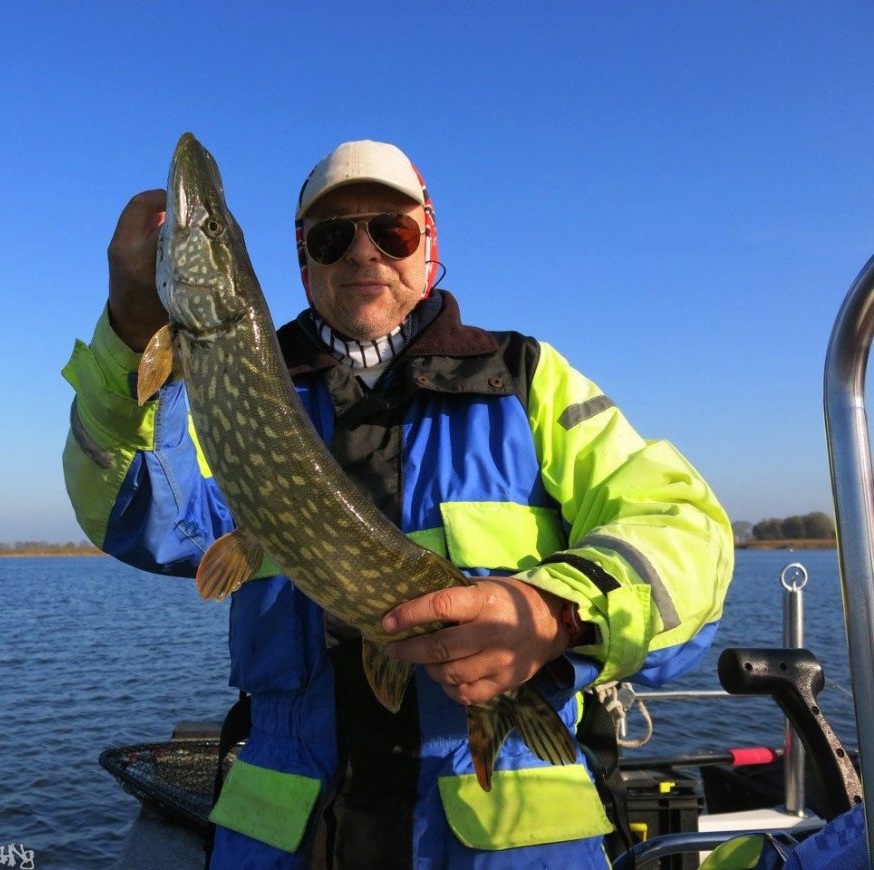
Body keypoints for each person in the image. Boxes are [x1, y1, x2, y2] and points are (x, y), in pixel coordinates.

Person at [62, 139, 734, 868]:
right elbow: (137, 518)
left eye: (392, 231)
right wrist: (129, 337)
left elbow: (683, 531)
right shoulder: (236, 381)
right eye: (333, 237)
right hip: (290, 842)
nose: (363, 252)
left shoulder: (527, 379)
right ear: (304, 260)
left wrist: (557, 612)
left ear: (428, 242)